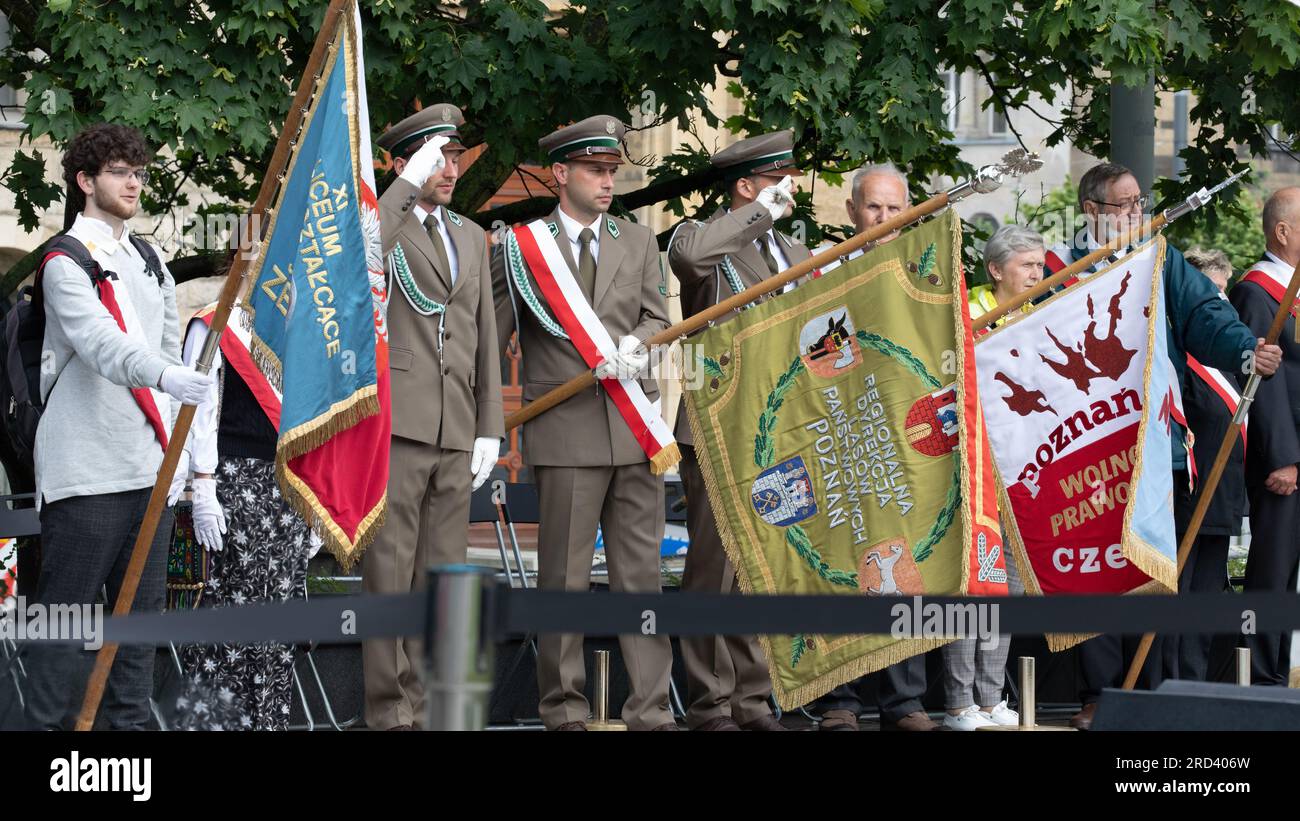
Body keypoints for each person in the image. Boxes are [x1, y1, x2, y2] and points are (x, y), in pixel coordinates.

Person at [1056, 163, 1281, 729]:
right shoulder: (1058, 268)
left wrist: (1243, 349)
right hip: (1084, 444)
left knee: (1156, 568)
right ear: (1091, 211)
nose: (1136, 212)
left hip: (1154, 443)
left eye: (1139, 201)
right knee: (1098, 572)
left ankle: (1151, 695)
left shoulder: (1159, 257)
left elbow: (1206, 311)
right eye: (1123, 205)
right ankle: (1101, 694)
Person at [22, 123, 213, 729]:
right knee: (63, 634)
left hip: (146, 472)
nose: (134, 183)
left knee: (137, 639)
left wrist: (183, 450)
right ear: (85, 180)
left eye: (140, 172)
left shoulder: (149, 257)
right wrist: (165, 376)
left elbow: (161, 344)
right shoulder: (63, 260)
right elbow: (104, 346)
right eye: (120, 172)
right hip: (85, 475)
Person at [492, 115, 677, 731]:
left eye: (613, 171)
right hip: (565, 433)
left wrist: (637, 345)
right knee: (563, 581)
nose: (608, 181)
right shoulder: (523, 248)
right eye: (596, 170)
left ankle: (650, 710)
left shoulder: (638, 240)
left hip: (634, 429)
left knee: (641, 582)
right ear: (561, 173)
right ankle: (563, 709)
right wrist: (483, 424)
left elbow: (658, 319)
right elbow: (492, 341)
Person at [362, 104, 504, 730]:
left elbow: (483, 334)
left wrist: (490, 423)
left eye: (454, 156)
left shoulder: (471, 235)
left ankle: (432, 710)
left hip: (455, 426)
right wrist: (398, 189)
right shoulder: (380, 220)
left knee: (444, 579)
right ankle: (389, 713)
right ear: (403, 161)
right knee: (390, 576)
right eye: (438, 157)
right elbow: (360, 254)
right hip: (398, 421)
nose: (451, 169)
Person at [667, 129, 806, 731]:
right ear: (745, 188)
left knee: (765, 571)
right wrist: (754, 215)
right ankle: (710, 703)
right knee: (714, 574)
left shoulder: (798, 252)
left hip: (783, 433)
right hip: (720, 429)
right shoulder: (702, 240)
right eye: (776, 183)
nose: (789, 191)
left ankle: (753, 700)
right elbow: (691, 263)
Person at [812, 163, 937, 732]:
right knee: (842, 565)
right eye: (873, 208)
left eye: (894, 209)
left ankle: (904, 700)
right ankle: (840, 696)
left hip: (906, 447)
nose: (884, 219)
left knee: (903, 564)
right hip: (839, 437)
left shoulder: (923, 278)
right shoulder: (821, 275)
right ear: (851, 210)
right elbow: (812, 358)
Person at [169, 302, 323, 730]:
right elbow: (196, 408)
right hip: (234, 486)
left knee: (276, 641)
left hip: (288, 491)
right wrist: (202, 485)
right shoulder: (216, 319)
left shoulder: (302, 321)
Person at [941, 224, 1042, 730]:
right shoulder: (966, 312)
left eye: (1040, 265)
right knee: (971, 588)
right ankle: (958, 703)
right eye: (1026, 265)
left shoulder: (1045, 313)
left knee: (1012, 589)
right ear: (996, 270)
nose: (1036, 274)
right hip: (974, 472)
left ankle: (989, 698)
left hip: (1023, 474)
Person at [1163, 248, 1246, 682]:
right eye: (1210, 293)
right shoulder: (1182, 362)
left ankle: (1194, 680)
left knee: (1207, 594)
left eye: (1223, 291)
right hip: (1190, 490)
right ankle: (1173, 681)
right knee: (1181, 592)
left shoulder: (1227, 363)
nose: (1221, 303)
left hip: (1225, 492)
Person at [1229, 188, 1300, 686]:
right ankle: (1259, 676)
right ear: (1283, 231)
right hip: (1284, 461)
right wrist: (1284, 458)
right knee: (1271, 576)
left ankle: (1277, 671)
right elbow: (1263, 385)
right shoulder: (1257, 292)